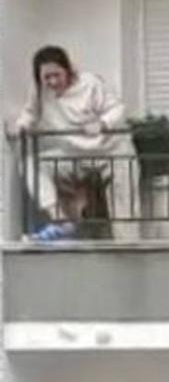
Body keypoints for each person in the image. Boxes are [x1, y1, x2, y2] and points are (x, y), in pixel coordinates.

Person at [8, 46, 126, 240]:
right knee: (30, 163)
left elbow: (117, 108)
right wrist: (21, 127)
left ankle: (126, 247)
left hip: (111, 152)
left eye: (57, 75)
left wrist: (102, 123)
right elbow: (30, 113)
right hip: (74, 154)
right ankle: (59, 219)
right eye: (46, 77)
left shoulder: (90, 83)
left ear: (68, 69)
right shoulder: (39, 89)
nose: (52, 81)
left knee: (124, 210)